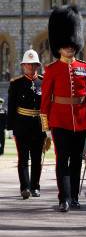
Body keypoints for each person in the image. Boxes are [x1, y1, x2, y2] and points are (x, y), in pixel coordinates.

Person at [40, 5, 86, 212]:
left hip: (80, 120)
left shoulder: (84, 68)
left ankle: (74, 197)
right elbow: (45, 99)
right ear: (58, 46)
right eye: (65, 45)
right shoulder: (51, 70)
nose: (69, 48)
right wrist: (46, 126)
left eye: (72, 44)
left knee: (76, 162)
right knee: (62, 160)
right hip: (59, 120)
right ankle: (63, 198)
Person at [7, 49, 47, 199]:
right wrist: (10, 128)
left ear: (38, 66)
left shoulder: (43, 82)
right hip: (21, 125)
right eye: (28, 65)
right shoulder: (16, 83)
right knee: (23, 159)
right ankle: (25, 187)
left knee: (37, 158)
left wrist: (47, 127)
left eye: (33, 65)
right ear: (23, 66)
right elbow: (11, 107)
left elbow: (47, 106)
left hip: (38, 125)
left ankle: (35, 186)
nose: (30, 68)